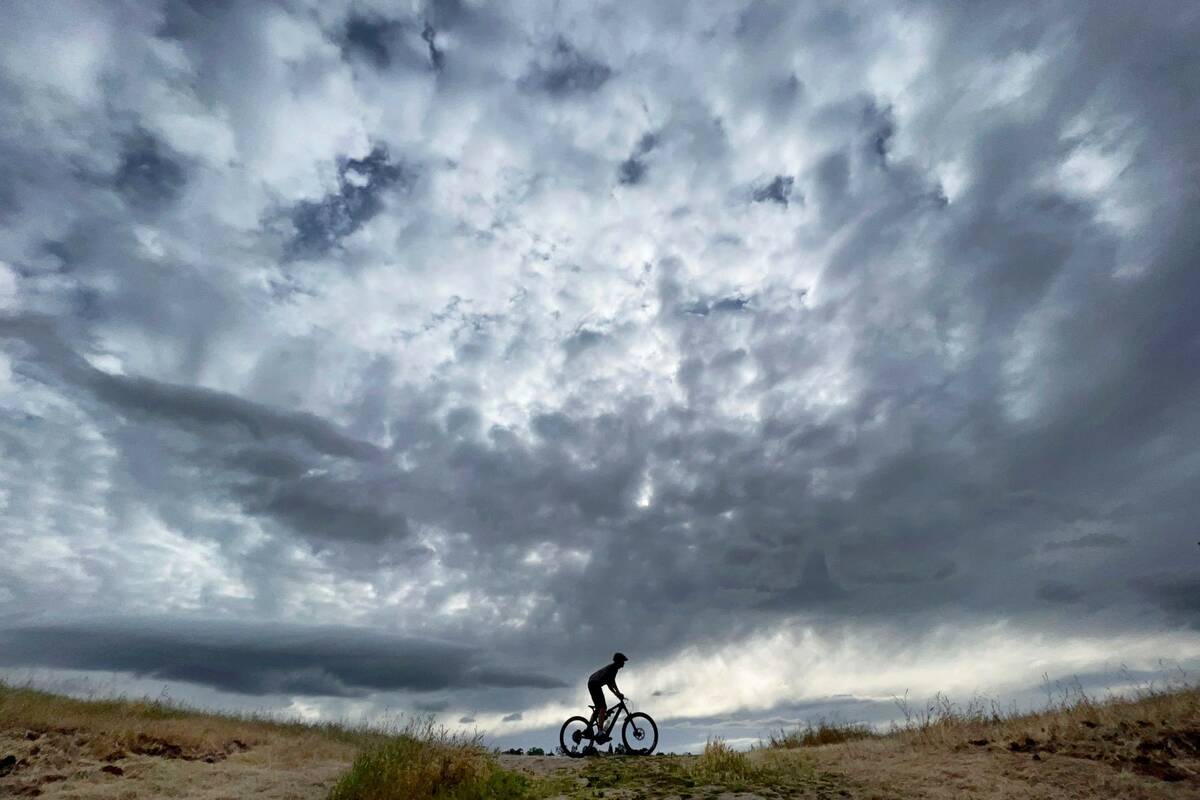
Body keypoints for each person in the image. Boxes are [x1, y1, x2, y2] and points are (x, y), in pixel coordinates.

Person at [587, 652, 627, 743]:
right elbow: (611, 683)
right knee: (603, 707)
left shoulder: (613, 668)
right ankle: (600, 732)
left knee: (599, 708)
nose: (624, 663)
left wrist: (617, 694)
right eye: (623, 661)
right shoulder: (613, 669)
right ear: (619, 661)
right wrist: (618, 693)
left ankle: (589, 728)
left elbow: (610, 683)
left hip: (592, 683)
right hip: (595, 684)